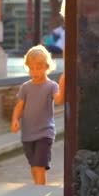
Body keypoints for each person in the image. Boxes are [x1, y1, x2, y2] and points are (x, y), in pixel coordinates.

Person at [11, 45, 65, 185]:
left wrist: (63, 84)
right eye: (31, 68)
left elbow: (59, 100)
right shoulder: (26, 87)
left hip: (45, 133)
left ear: (47, 66)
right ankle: (38, 189)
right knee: (34, 167)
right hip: (28, 135)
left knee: (39, 167)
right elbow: (19, 106)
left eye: (38, 67)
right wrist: (15, 119)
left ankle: (39, 193)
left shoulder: (52, 86)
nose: (34, 71)